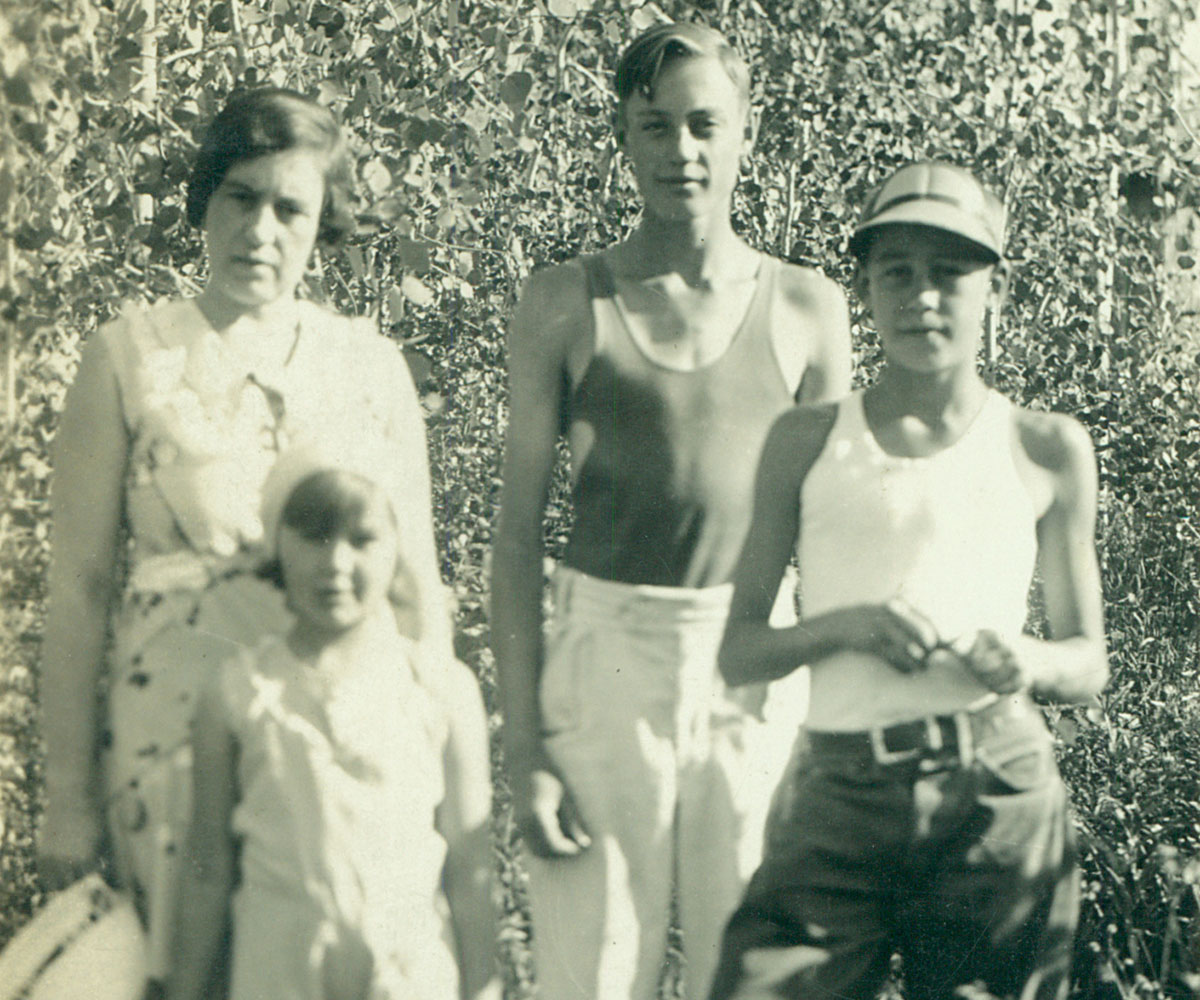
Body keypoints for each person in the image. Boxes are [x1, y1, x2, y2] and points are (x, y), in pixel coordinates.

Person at [37, 88, 455, 989]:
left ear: (321, 222)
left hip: (336, 738)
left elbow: (417, 587)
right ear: (204, 200)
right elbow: (75, 589)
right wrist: (64, 803)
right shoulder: (127, 358)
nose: (261, 230)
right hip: (168, 734)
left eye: (289, 207)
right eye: (240, 196)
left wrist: (433, 766)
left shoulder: (370, 366)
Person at [490, 21, 851, 1000]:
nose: (680, 153)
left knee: (756, 976)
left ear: (744, 132)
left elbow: (836, 541)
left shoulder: (807, 306)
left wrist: (831, 739)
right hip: (607, 664)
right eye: (654, 127)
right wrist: (524, 746)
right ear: (624, 135)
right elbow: (518, 540)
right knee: (591, 973)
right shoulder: (564, 301)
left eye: (704, 125)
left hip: (754, 670)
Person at [707, 161, 1110, 1000]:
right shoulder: (807, 440)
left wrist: (1026, 661)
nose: (922, 297)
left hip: (996, 793)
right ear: (864, 286)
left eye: (950, 273)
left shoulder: (1045, 446)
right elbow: (740, 650)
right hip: (838, 793)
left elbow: (1086, 660)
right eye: (898, 272)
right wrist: (845, 625)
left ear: (993, 289)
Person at [165, 441, 497, 1000]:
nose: (336, 563)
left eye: (362, 539)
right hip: (280, 973)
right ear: (277, 544)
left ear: (396, 548)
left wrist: (485, 991)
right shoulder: (238, 694)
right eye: (314, 536)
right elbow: (208, 873)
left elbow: (470, 870)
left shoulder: (438, 689)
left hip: (409, 974)